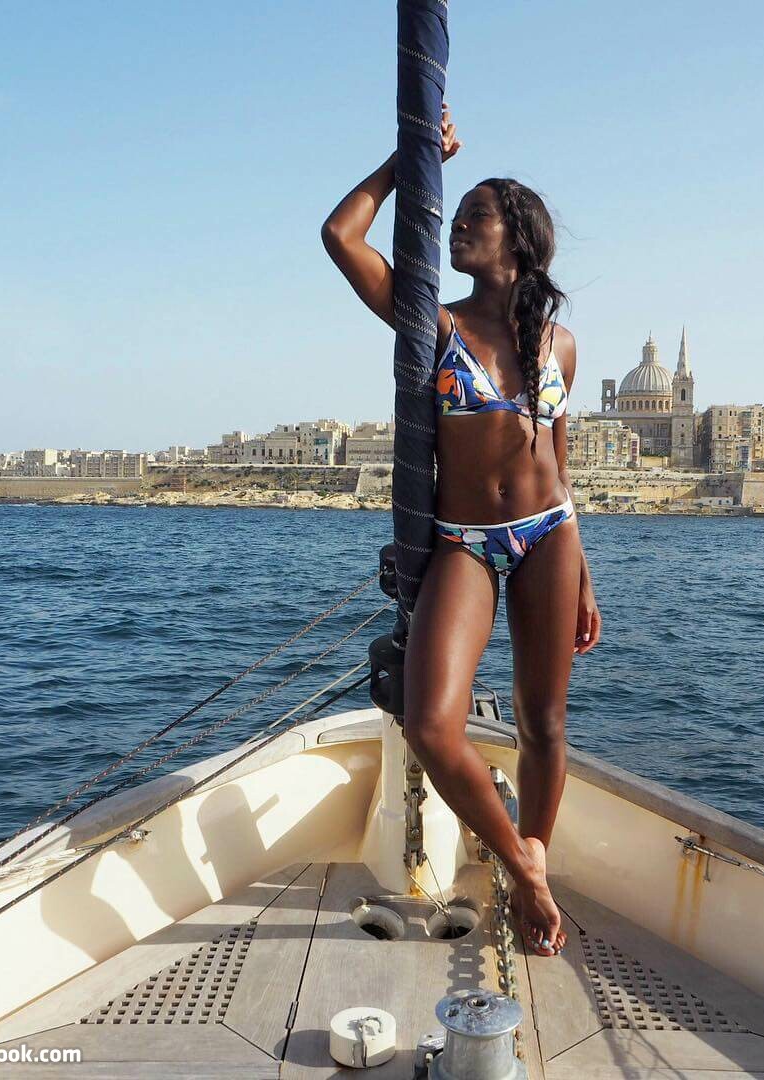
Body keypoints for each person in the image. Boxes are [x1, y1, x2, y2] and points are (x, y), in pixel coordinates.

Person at [321, 106, 602, 957]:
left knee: (543, 724)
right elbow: (340, 236)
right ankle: (522, 867)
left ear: (518, 239)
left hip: (550, 536)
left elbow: (557, 464)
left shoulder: (561, 346)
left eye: (475, 215)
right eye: (458, 215)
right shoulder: (434, 325)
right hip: (464, 542)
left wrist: (584, 573)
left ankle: (533, 859)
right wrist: (406, 160)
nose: (457, 226)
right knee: (433, 723)